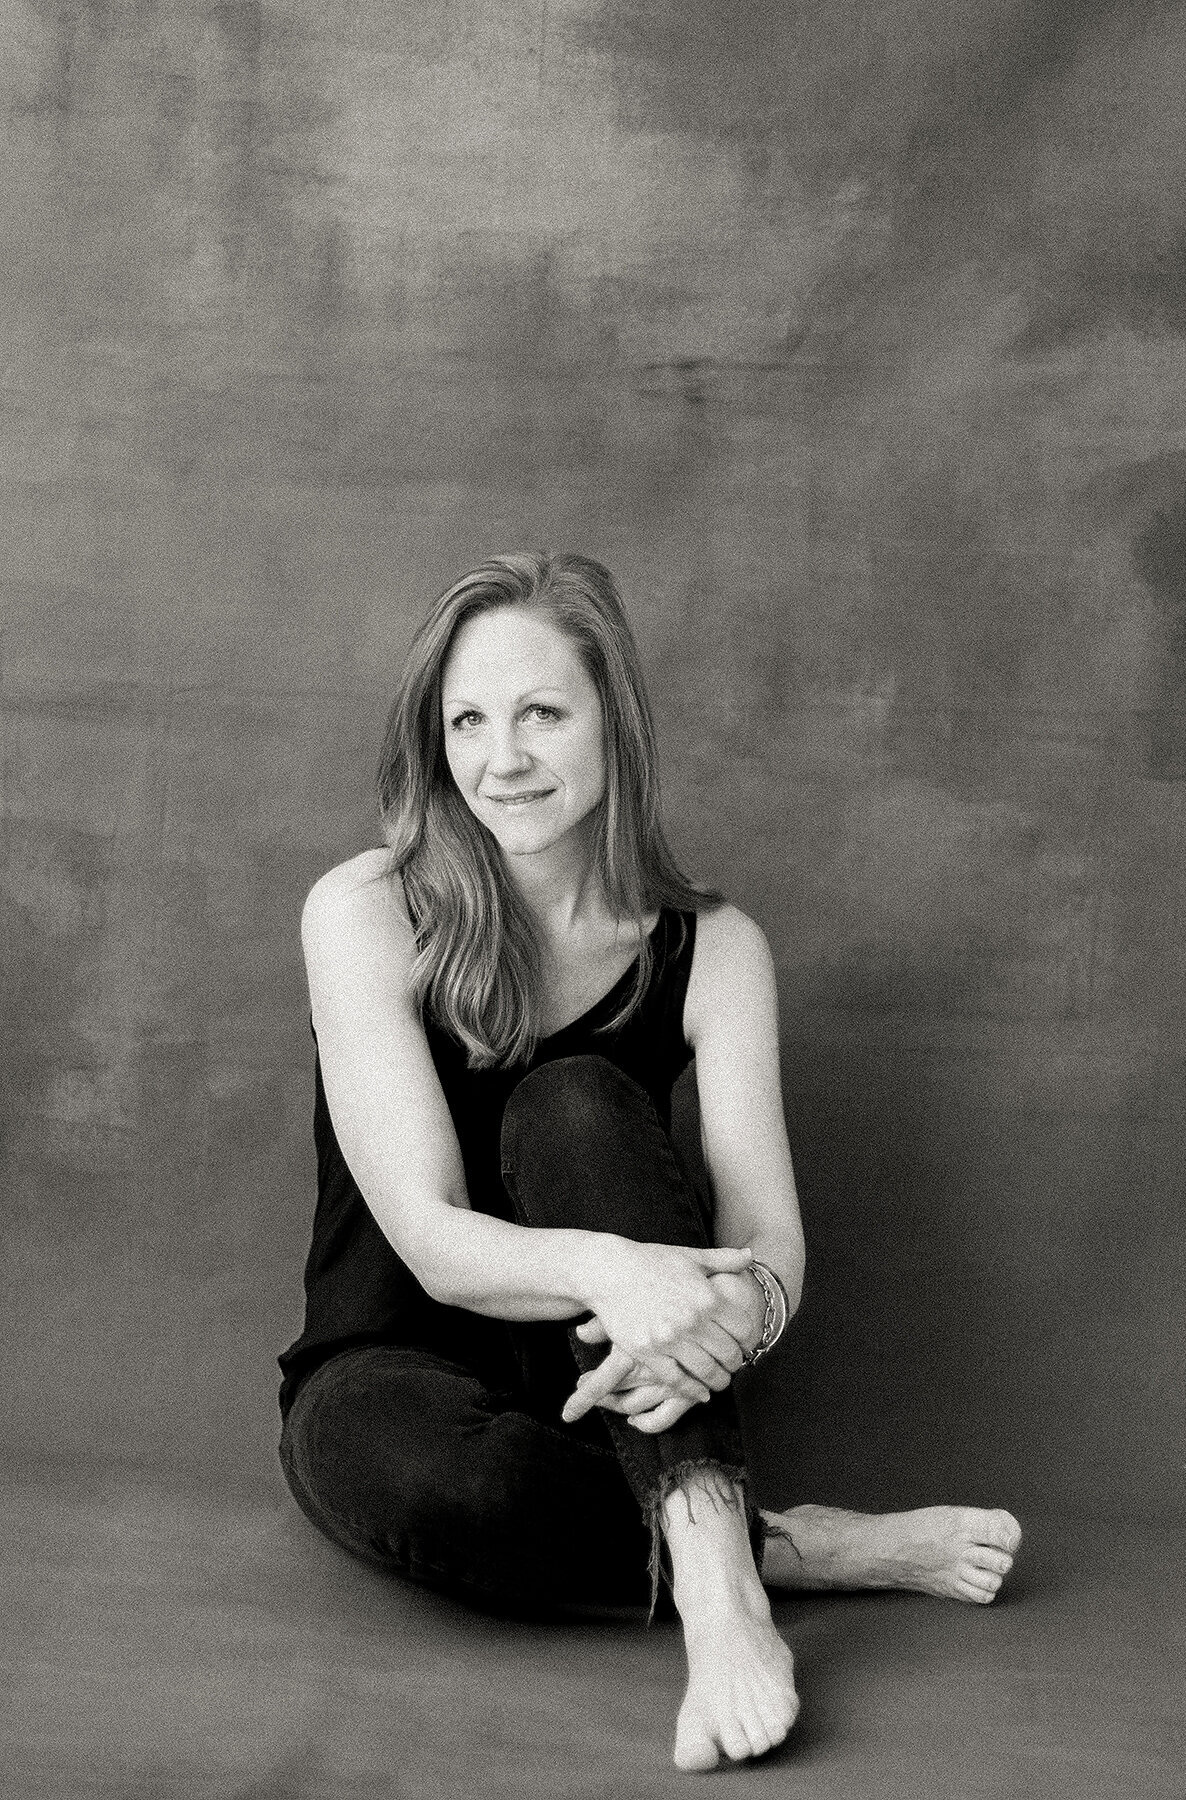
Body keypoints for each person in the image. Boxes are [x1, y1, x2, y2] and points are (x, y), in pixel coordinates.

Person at [277, 551, 1022, 1772]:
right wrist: (627, 1277)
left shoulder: (716, 949)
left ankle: (725, 1597)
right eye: (466, 720)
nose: (499, 758)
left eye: (540, 713)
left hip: (633, 1381)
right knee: (430, 1491)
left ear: (611, 720)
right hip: (387, 1361)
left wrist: (741, 1301)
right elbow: (426, 1232)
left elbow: (770, 1236)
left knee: (575, 1102)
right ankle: (811, 1548)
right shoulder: (365, 910)